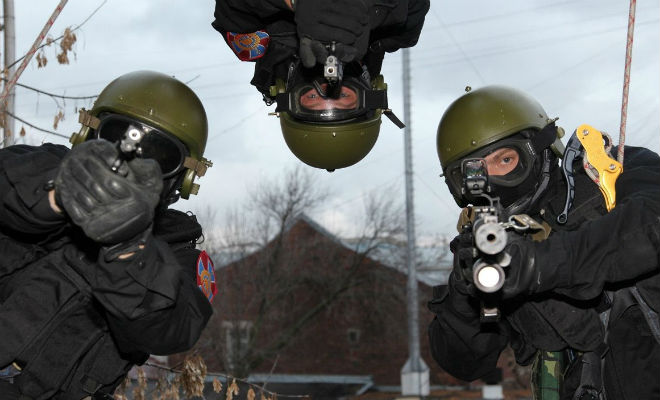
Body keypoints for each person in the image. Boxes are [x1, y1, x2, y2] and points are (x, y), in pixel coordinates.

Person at [427, 85, 660, 399]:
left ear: (539, 148)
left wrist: (536, 264)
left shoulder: (611, 175)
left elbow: (650, 223)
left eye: (505, 160)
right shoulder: (488, 246)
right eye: (473, 174)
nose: (491, 181)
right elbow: (464, 364)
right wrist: (465, 292)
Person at [0, 70, 216, 399]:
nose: (132, 159)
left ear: (182, 179)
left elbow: (173, 329)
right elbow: (10, 185)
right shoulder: (41, 165)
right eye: (118, 136)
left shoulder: (178, 255)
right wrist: (60, 194)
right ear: (89, 134)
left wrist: (129, 248)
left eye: (159, 155)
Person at [211, 0, 430, 171]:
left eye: (313, 99)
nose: (326, 87)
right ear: (369, 89)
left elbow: (232, 9)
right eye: (344, 98)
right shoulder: (399, 28)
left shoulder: (250, 37)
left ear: (287, 95)